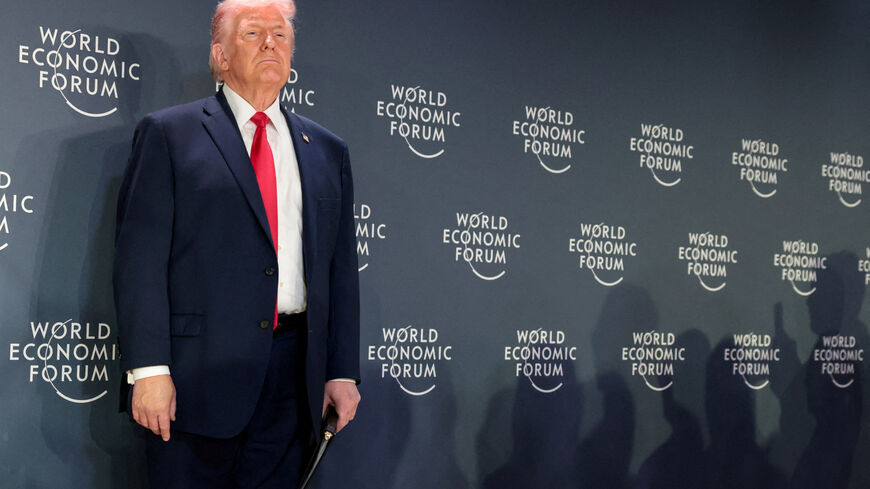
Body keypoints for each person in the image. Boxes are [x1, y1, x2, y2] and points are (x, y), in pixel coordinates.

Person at [113, 0, 360, 487]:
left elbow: (340, 268)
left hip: (295, 381)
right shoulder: (170, 134)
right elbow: (140, 262)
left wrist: (342, 371)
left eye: (281, 35)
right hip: (193, 381)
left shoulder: (328, 150)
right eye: (253, 33)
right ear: (220, 57)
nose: (271, 42)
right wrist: (148, 370)